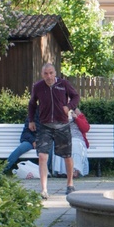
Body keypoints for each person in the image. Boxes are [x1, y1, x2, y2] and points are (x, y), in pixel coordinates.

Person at [28, 62, 80, 200]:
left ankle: (70, 184)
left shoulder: (63, 84)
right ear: (42, 75)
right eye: (46, 73)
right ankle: (44, 190)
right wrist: (31, 120)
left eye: (51, 73)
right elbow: (32, 104)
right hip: (45, 126)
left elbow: (76, 96)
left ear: (55, 73)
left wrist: (69, 106)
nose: (49, 76)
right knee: (42, 156)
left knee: (67, 156)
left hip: (62, 125)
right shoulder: (38, 87)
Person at [51, 108, 90, 179]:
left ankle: (75, 170)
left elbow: (86, 128)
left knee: (75, 144)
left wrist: (77, 118)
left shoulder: (77, 113)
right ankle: (63, 172)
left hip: (77, 138)